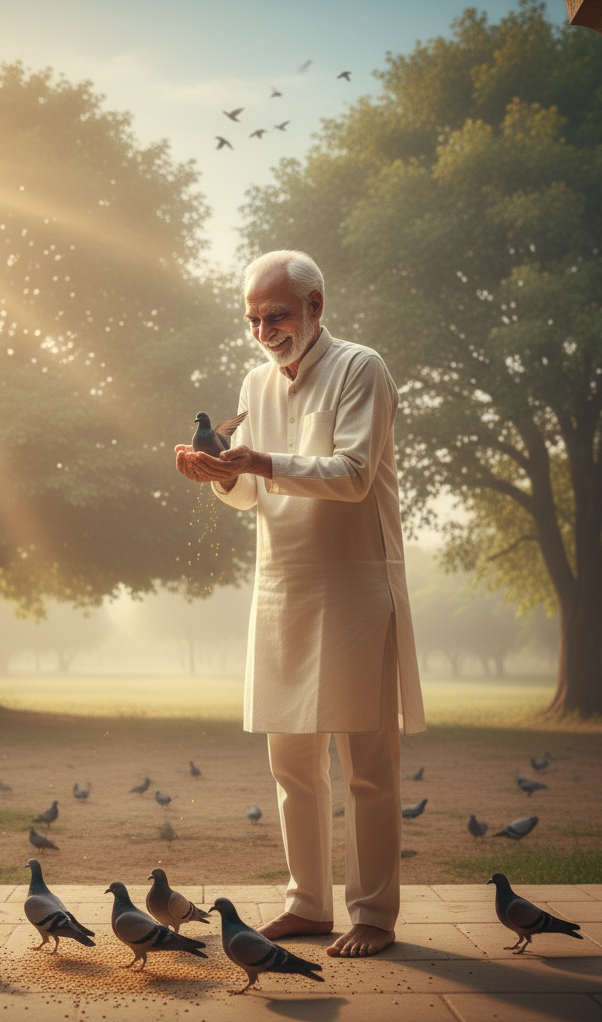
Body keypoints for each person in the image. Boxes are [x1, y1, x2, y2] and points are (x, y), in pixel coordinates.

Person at [174, 250, 424, 958]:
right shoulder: (256, 381)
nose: (264, 331)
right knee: (291, 763)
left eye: (276, 315)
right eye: (253, 319)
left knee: (368, 766)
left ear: (316, 306)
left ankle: (373, 914)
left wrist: (258, 461)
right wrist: (219, 474)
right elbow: (251, 493)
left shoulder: (361, 367)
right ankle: (308, 905)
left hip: (356, 588)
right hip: (282, 587)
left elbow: (352, 475)